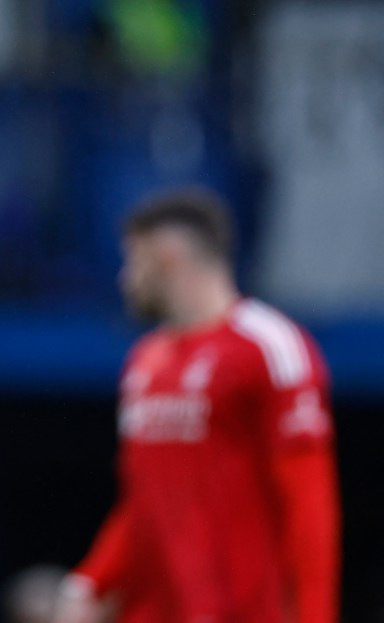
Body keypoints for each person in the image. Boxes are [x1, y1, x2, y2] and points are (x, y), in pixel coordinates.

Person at [53, 189, 339, 623]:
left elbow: (309, 503)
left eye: (133, 261)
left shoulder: (269, 347)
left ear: (167, 257)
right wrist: (91, 581)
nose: (124, 279)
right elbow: (146, 503)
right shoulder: (144, 364)